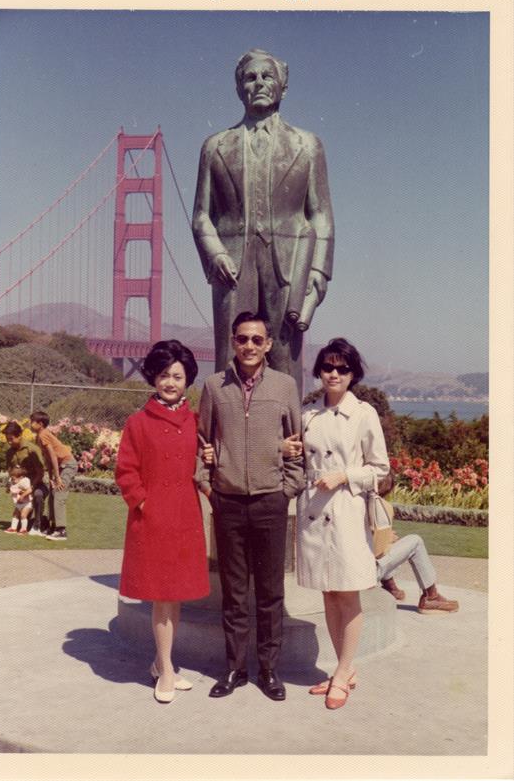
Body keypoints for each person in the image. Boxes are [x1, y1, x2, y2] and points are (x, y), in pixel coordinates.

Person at [192, 48, 334, 393]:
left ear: (282, 87)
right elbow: (200, 216)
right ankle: (224, 439)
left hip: (291, 266)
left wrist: (318, 273)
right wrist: (215, 254)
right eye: (249, 77)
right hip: (231, 265)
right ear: (239, 88)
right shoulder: (214, 146)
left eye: (266, 76)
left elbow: (321, 215)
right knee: (229, 356)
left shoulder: (308, 145)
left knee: (286, 361)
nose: (258, 83)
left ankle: (288, 441)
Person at [196, 311, 305, 701]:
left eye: (257, 340)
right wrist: (209, 487)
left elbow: (298, 444)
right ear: (232, 340)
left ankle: (269, 671)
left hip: (269, 502)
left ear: (269, 344)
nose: (249, 347)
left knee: (271, 592)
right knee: (235, 592)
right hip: (227, 502)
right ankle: (234, 669)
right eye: (243, 339)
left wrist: (286, 490)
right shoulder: (213, 386)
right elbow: (201, 442)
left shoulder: (285, 386)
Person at [296, 338, 389, 710]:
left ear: (353, 375)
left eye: (342, 369)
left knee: (347, 593)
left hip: (347, 511)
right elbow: (302, 463)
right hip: (315, 512)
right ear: (319, 371)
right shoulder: (308, 415)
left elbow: (380, 470)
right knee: (328, 592)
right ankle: (342, 671)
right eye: (328, 367)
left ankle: (343, 671)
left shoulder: (364, 414)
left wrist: (344, 476)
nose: (334, 374)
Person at [115, 340, 210, 704]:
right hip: (152, 519)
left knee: (175, 596)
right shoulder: (137, 422)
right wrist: (143, 503)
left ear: (187, 380)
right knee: (160, 597)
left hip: (185, 516)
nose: (170, 382)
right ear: (153, 377)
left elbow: (204, 462)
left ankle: (161, 661)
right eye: (163, 375)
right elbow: (125, 471)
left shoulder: (195, 421)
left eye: (177, 376)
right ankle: (167, 669)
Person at [375, 473, 459, 614]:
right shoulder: (381, 506)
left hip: (348, 573)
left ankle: (391, 588)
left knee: (391, 549)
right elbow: (378, 552)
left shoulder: (353, 502)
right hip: (367, 574)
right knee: (415, 541)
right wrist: (386, 539)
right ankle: (431, 597)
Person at [30, 411, 77, 541]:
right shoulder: (40, 436)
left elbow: (53, 456)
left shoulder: (44, 434)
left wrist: (58, 477)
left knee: (59, 494)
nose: (30, 424)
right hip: (60, 467)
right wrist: (51, 477)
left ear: (40, 424)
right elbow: (48, 459)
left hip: (67, 465)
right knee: (53, 493)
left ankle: (61, 531)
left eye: (32, 422)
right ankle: (53, 526)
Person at [3, 420, 49, 536]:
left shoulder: (32, 449)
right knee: (22, 519)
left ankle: (37, 525)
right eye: (7, 439)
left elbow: (41, 472)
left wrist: (31, 489)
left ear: (19, 435)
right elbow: (11, 471)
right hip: (21, 488)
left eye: (11, 439)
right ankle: (41, 520)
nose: (9, 442)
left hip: (37, 484)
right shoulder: (9, 452)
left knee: (38, 495)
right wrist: (11, 485)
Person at [4, 465, 33, 534]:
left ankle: (23, 530)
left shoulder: (23, 482)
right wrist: (8, 488)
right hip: (18, 503)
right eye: (12, 478)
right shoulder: (12, 481)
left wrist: (22, 495)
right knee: (15, 514)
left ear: (21, 477)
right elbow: (9, 489)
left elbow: (29, 490)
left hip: (27, 503)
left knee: (23, 515)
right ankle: (13, 528)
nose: (13, 480)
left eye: (14, 479)